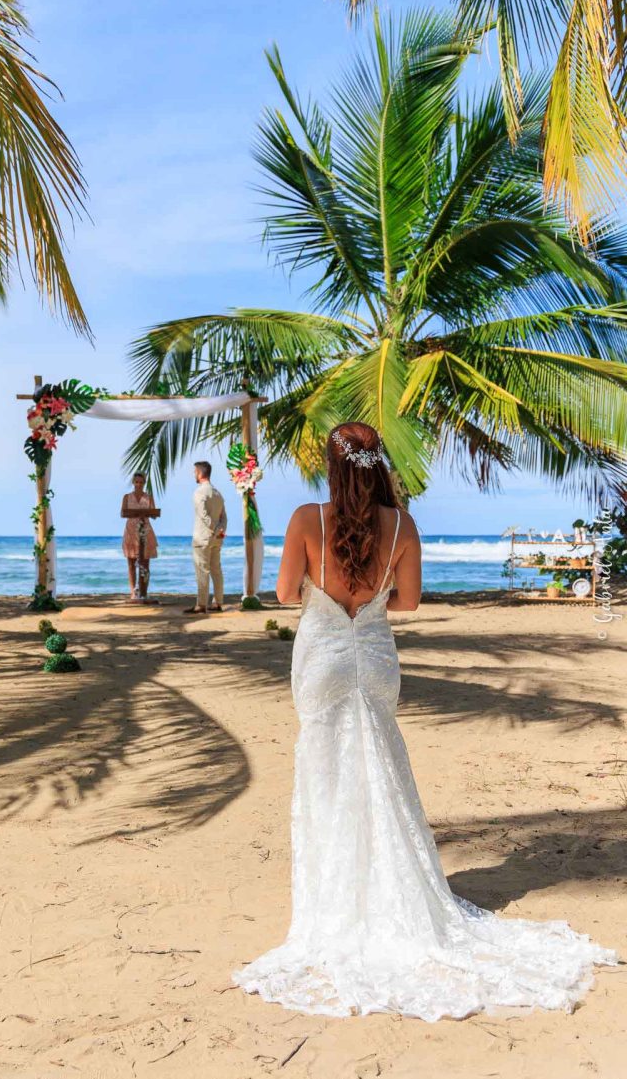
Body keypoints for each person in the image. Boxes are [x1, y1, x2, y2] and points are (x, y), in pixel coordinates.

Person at [232, 421, 617, 1020]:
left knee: (327, 770)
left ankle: (340, 896)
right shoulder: (402, 525)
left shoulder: (308, 519)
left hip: (324, 656)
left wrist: (322, 591)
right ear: (378, 465)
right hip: (374, 656)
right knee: (382, 764)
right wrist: (370, 600)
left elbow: (284, 593)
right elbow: (408, 601)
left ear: (332, 468)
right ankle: (394, 887)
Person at [185, 460, 227, 615]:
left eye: (194, 472)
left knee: (202, 571)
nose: (193, 474)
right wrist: (220, 531)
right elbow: (224, 517)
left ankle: (201, 604)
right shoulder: (218, 493)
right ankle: (218, 602)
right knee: (216, 570)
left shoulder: (199, 492)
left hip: (203, 537)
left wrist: (215, 530)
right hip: (217, 538)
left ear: (199, 473)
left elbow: (203, 515)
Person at [121, 473, 159, 600]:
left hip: (145, 531)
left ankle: (144, 592)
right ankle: (133, 592)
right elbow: (122, 513)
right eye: (136, 482)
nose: (138, 484)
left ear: (144, 483)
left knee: (145, 565)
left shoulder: (149, 497)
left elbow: (153, 514)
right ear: (133, 482)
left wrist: (151, 513)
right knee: (131, 564)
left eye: (141, 482)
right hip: (131, 532)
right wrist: (134, 513)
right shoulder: (127, 497)